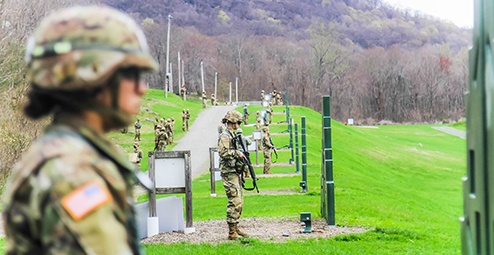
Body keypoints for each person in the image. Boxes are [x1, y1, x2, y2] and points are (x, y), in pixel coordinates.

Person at [2, 6, 157, 254]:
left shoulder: (65, 154)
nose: (142, 88)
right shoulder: (74, 175)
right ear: (93, 75)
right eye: (132, 74)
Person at [218, 110, 249, 240]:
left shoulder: (232, 135)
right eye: (238, 122)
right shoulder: (225, 136)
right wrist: (236, 153)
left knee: (239, 200)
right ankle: (231, 232)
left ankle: (235, 227)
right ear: (233, 121)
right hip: (229, 172)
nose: (239, 125)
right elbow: (223, 153)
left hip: (235, 172)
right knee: (234, 200)